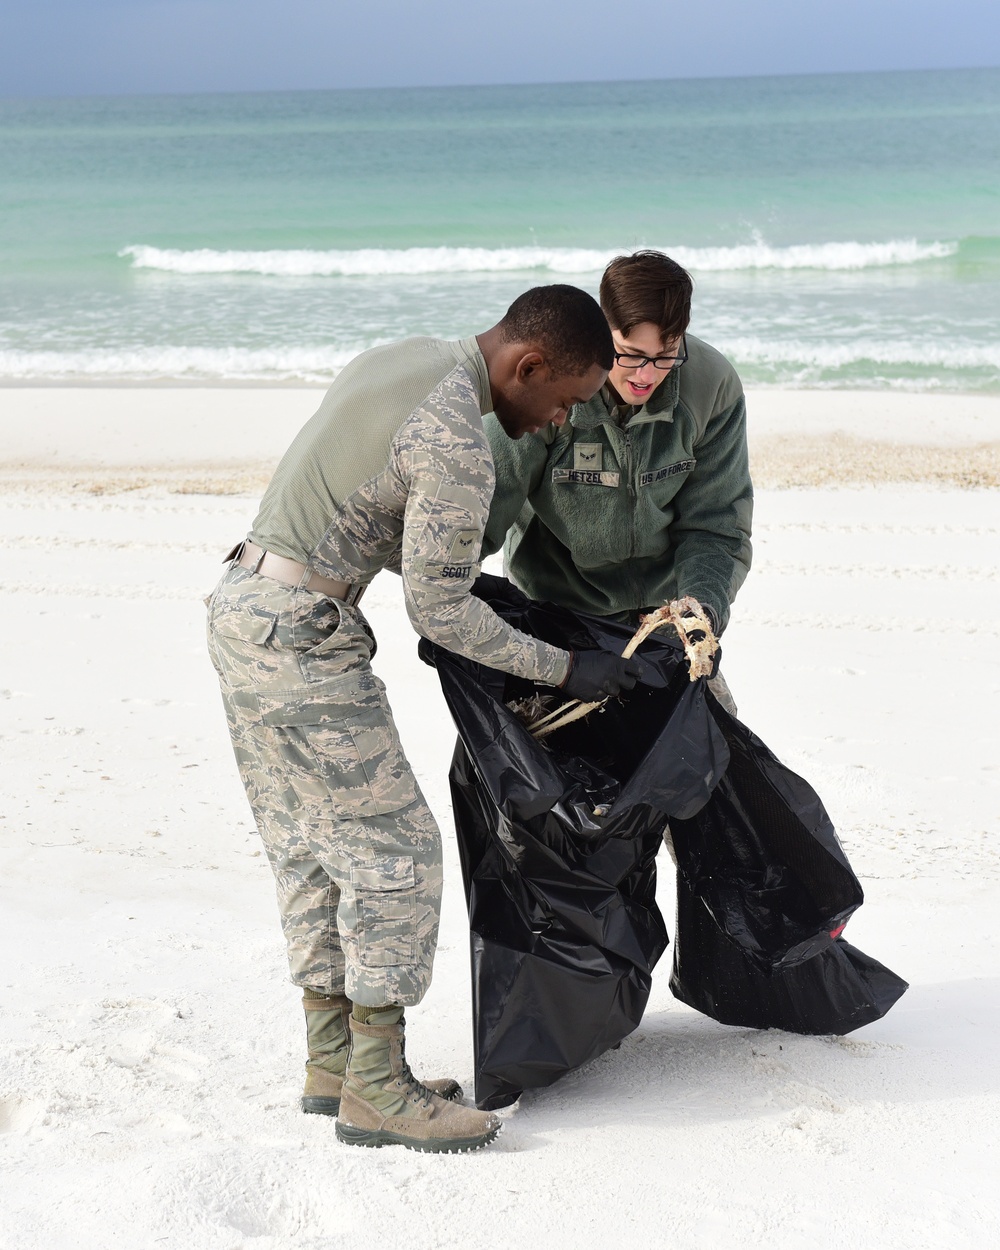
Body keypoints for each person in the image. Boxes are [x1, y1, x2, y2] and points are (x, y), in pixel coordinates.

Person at [206, 285, 643, 1155]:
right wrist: (570, 668)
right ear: (529, 365)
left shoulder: (405, 358)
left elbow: (383, 525)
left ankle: (332, 1063)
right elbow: (439, 612)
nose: (559, 421)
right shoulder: (458, 442)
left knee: (310, 849)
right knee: (395, 853)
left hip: (242, 608)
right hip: (299, 641)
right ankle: (377, 1087)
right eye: (562, 399)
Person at [482, 251, 752, 713]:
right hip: (555, 618)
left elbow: (715, 526)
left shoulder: (712, 386)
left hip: (663, 618)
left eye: (666, 356)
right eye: (631, 355)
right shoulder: (547, 384)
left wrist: (699, 616)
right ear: (602, 330)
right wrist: (447, 605)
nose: (646, 375)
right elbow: (482, 515)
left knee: (712, 757)